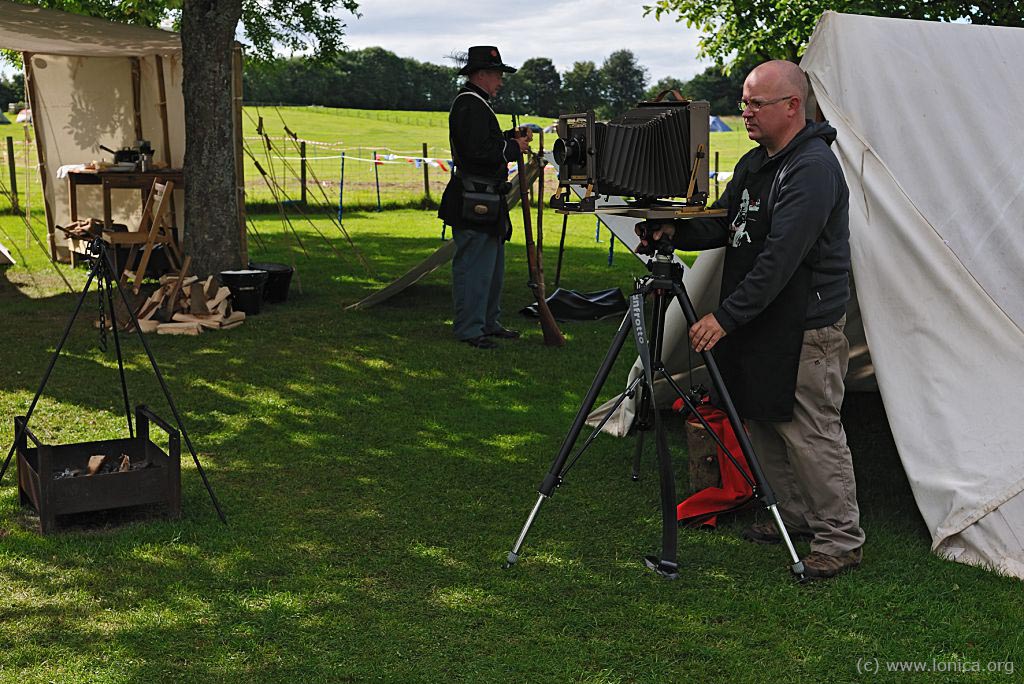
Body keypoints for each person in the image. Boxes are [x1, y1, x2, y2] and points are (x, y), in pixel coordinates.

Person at [637, 60, 865, 579]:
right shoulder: (756, 163)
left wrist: (727, 316)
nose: (745, 112)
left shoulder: (811, 168)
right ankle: (794, 515)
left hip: (805, 326)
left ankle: (840, 538)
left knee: (811, 432)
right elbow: (726, 223)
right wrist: (672, 231)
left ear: (792, 106)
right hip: (764, 320)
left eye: (755, 103)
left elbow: (782, 258)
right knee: (762, 418)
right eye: (743, 102)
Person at [438, 46, 532, 349]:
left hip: (486, 197)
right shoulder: (469, 105)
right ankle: (470, 328)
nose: (500, 81)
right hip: (474, 196)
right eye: (496, 75)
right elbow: (478, 152)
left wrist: (509, 138)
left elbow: (486, 142)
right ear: (481, 74)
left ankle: (488, 322)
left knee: (491, 268)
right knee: (474, 267)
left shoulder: (476, 104)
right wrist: (513, 147)